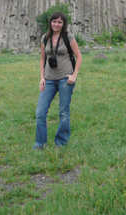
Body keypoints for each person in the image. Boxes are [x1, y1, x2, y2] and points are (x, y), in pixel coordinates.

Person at [33, 12, 82, 149]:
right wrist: (42, 77)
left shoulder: (68, 37)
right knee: (40, 113)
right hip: (48, 79)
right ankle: (40, 143)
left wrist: (74, 75)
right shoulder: (45, 37)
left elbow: (79, 56)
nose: (56, 24)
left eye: (60, 22)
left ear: (63, 24)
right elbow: (42, 58)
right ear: (50, 22)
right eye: (54, 21)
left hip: (65, 79)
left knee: (64, 112)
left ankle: (61, 143)